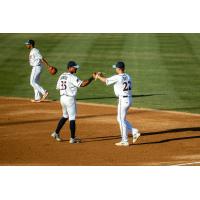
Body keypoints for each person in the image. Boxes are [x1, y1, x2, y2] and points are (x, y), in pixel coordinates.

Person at [96, 61, 140, 146]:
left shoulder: (117, 77)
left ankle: (125, 140)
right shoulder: (128, 76)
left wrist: (98, 76)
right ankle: (134, 131)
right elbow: (108, 80)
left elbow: (106, 81)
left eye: (116, 68)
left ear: (119, 69)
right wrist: (102, 76)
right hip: (129, 99)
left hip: (122, 101)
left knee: (121, 120)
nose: (115, 69)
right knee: (121, 119)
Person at [51, 61, 96, 143]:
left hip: (62, 98)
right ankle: (72, 138)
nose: (76, 69)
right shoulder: (72, 77)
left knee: (65, 116)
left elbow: (58, 87)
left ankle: (56, 133)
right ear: (69, 68)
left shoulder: (62, 75)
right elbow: (82, 84)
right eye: (74, 67)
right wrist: (92, 78)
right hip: (69, 99)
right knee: (72, 118)